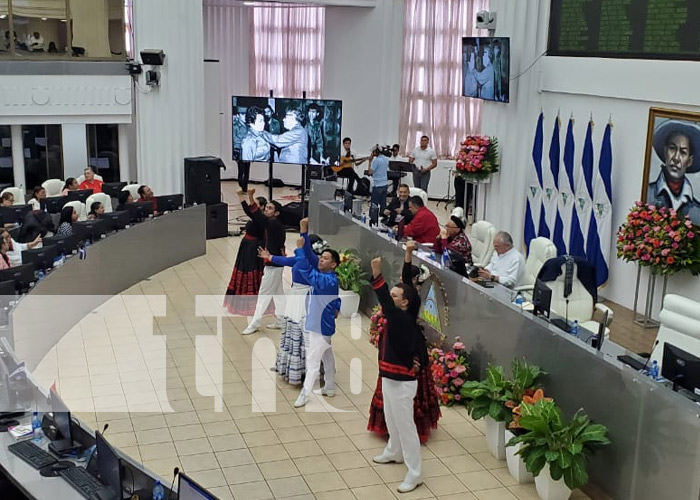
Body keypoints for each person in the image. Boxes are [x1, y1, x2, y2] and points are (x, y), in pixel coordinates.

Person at [368, 241, 440, 445]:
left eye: (396, 293)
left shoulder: (409, 304)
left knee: (403, 394)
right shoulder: (403, 303)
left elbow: (404, 278)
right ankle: (393, 434)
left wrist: (406, 255)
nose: (399, 281)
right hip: (394, 349)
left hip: (408, 350)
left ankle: (408, 431)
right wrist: (408, 253)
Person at [369, 255, 424, 494]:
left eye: (394, 297)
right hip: (391, 377)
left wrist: (377, 273)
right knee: (392, 419)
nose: (389, 300)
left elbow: (386, 303)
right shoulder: (401, 315)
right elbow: (405, 284)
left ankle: (415, 473)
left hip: (402, 382)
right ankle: (394, 451)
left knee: (406, 426)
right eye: (391, 294)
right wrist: (407, 261)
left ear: (404, 304)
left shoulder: (401, 319)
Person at [259, 218, 324, 385]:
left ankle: (306, 370)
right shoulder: (299, 258)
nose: (298, 247)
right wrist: (270, 257)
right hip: (296, 296)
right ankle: (287, 364)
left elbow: (306, 252)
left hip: (305, 298)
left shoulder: (314, 261)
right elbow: (287, 261)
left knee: (302, 333)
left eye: (303, 245)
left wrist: (303, 230)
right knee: (291, 329)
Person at [293, 236, 341, 408]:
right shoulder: (330, 278)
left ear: (334, 264)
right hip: (323, 323)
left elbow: (307, 271)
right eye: (321, 256)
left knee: (313, 361)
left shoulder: (325, 280)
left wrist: (299, 250)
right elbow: (336, 298)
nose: (321, 259)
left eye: (326, 258)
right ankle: (329, 386)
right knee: (327, 354)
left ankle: (305, 394)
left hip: (319, 325)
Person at [241, 188, 287, 335]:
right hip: (277, 262)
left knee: (263, 296)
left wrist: (250, 196)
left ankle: (254, 324)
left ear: (277, 213)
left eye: (270, 208)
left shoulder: (272, 224)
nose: (266, 210)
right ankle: (281, 320)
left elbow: (255, 214)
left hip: (273, 264)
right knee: (278, 294)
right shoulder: (275, 224)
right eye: (266, 207)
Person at [223, 192, 270, 316]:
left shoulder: (262, 219)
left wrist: (246, 197)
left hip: (253, 249)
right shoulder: (257, 217)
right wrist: (241, 197)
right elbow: (249, 210)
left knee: (250, 272)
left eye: (255, 205)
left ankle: (252, 303)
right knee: (243, 271)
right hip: (247, 247)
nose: (252, 207)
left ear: (261, 207)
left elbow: (250, 210)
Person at [647, 119, 700, 226]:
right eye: (672, 148)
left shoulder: (696, 210)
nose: (676, 158)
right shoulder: (648, 195)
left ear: (689, 161)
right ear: (665, 151)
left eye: (683, 152)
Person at [369, 146, 390, 213]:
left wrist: (370, 161)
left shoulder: (376, 160)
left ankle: (373, 218)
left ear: (376, 152)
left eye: (373, 152)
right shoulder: (386, 159)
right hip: (384, 184)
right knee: (383, 203)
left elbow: (370, 172)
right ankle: (382, 216)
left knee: (374, 204)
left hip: (377, 185)